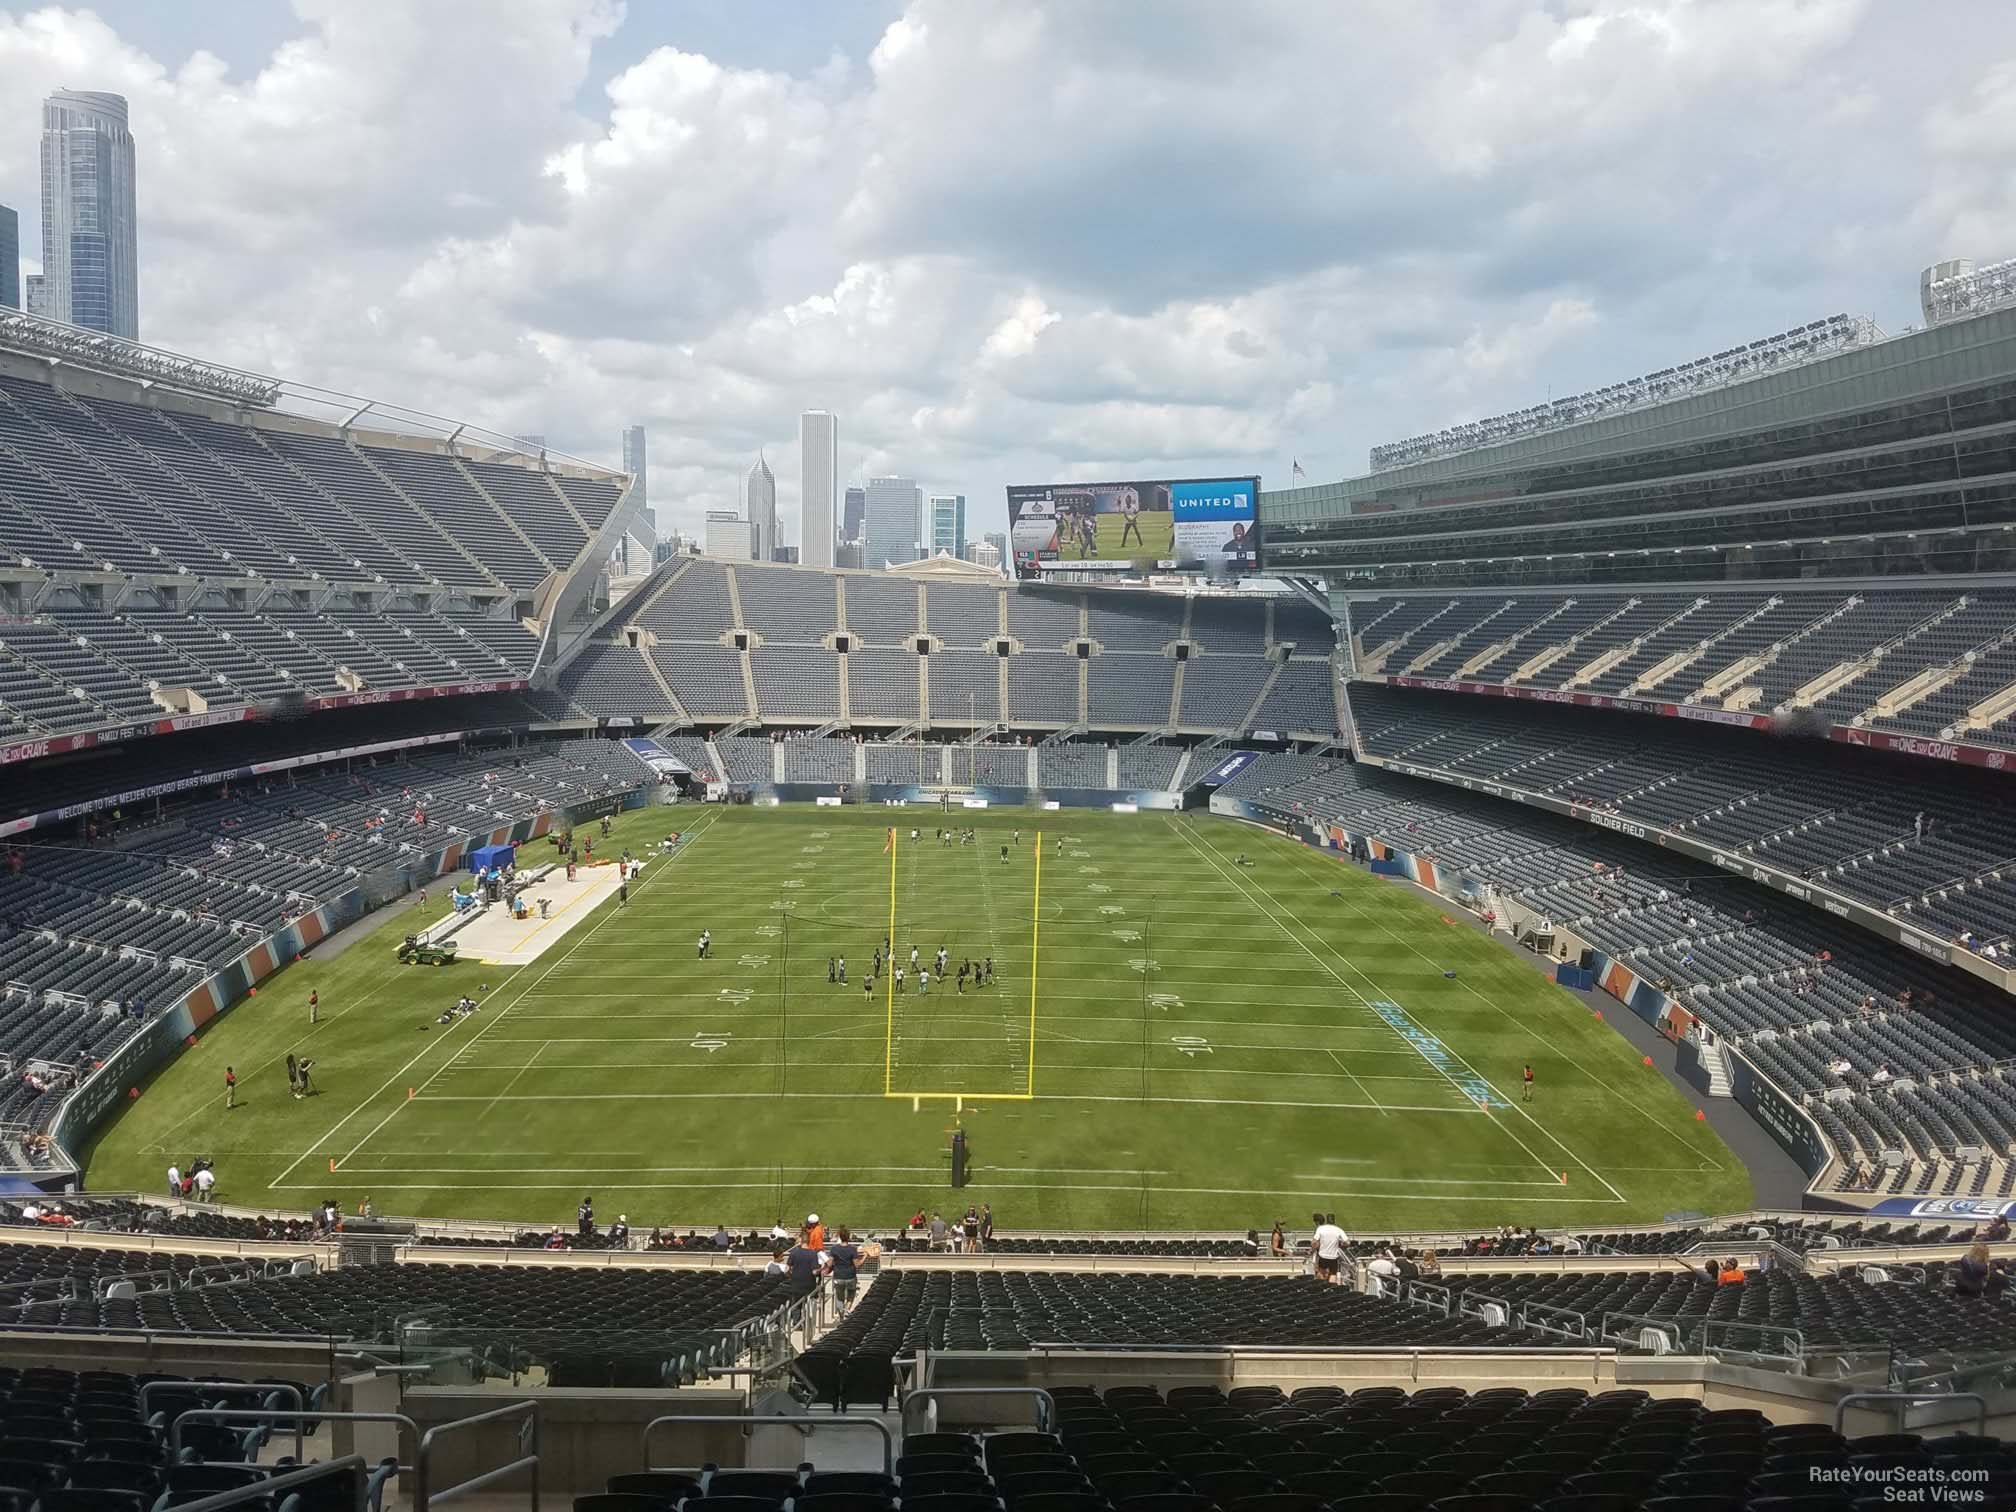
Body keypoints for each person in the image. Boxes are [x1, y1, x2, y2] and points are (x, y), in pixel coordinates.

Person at [827, 1226, 867, 1311]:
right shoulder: (852, 1249)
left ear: (840, 1237)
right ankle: (847, 1309)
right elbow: (857, 1264)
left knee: (839, 1297)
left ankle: (842, 1315)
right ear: (848, 1237)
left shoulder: (834, 1248)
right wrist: (864, 1257)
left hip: (838, 1276)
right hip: (850, 1276)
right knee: (851, 1294)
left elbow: (829, 1263)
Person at [1310, 1211, 1347, 1284]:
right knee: (1333, 1274)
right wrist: (1340, 1245)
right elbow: (1347, 1242)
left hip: (1322, 1256)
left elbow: (1314, 1243)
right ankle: (1331, 1290)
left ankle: (1322, 1289)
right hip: (1334, 1257)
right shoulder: (1338, 1229)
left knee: (1321, 1274)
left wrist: (1312, 1250)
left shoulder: (1320, 1229)